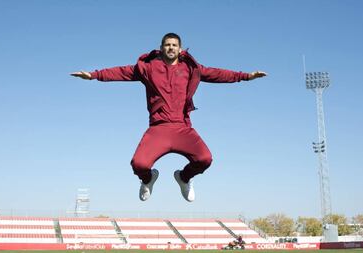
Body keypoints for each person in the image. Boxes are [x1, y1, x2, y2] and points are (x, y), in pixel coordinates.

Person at [71, 33, 266, 202]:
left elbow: (217, 74)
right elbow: (121, 72)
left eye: (174, 45)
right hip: (159, 128)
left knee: (205, 159)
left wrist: (245, 76)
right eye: (167, 44)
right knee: (139, 164)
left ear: (180, 49)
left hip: (182, 127)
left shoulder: (191, 68)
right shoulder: (147, 68)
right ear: (161, 47)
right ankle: (148, 180)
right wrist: (94, 75)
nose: (170, 47)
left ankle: (184, 178)